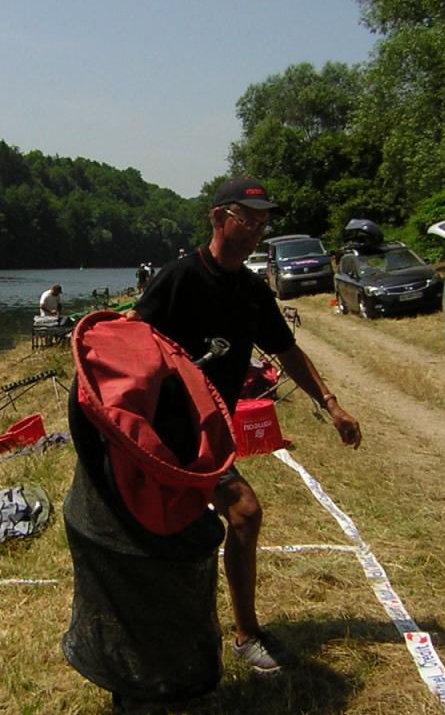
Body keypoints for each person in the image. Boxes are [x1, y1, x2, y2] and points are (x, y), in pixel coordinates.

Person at [129, 175, 362, 673]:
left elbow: (287, 350)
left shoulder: (252, 291)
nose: (256, 229)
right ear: (218, 218)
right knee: (230, 516)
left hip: (212, 438)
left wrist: (331, 404)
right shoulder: (178, 279)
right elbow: (129, 345)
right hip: (165, 436)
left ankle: (240, 635)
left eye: (262, 221)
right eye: (246, 218)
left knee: (237, 517)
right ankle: (204, 637)